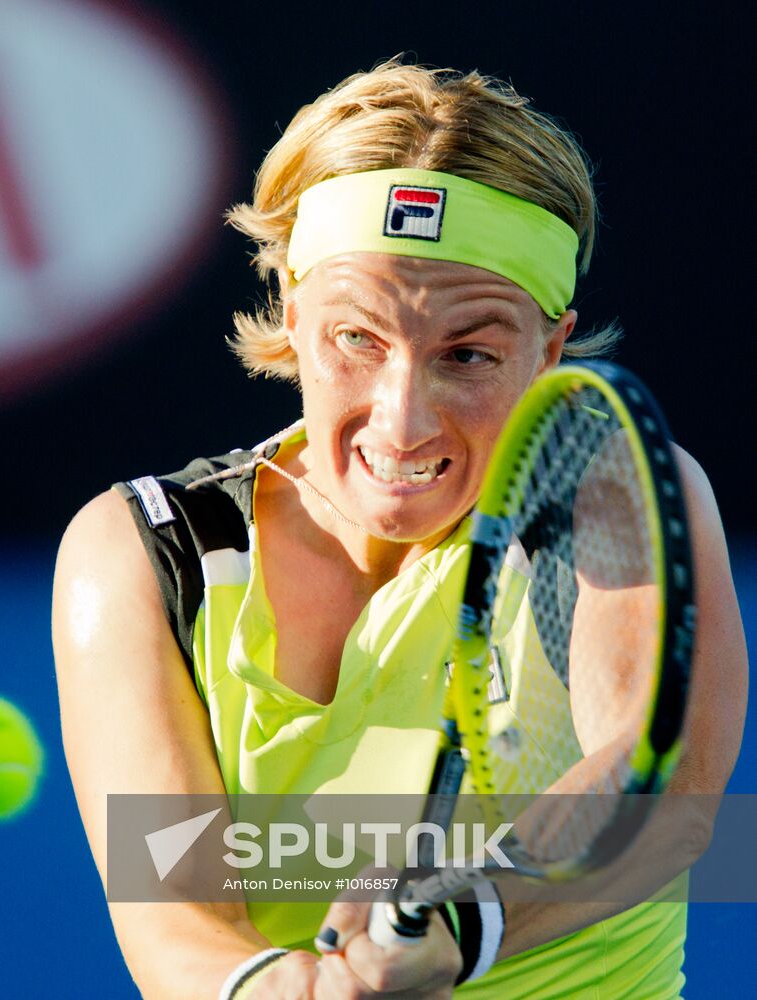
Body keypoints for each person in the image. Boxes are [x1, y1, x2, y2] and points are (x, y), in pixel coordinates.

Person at [52, 60, 747, 999]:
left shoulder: (607, 489)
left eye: (467, 353)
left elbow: (667, 796)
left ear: (549, 348)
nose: (403, 419)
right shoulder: (144, 551)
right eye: (356, 339)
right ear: (293, 317)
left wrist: (462, 917)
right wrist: (290, 992)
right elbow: (179, 915)